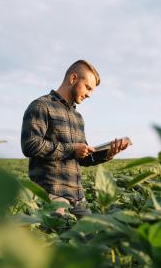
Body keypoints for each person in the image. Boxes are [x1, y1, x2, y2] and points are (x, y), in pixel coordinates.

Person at [20, 60, 130, 217]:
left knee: (94, 235)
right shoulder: (41, 106)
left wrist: (108, 152)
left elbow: (83, 159)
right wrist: (72, 149)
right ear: (73, 79)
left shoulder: (78, 117)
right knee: (58, 238)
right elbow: (30, 145)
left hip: (77, 198)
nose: (89, 94)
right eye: (88, 87)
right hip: (51, 195)